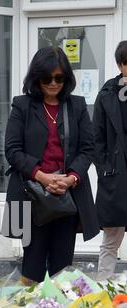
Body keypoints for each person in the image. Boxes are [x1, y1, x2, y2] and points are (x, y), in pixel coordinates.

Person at [2, 46, 99, 284]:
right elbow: (12, 150)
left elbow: (88, 148)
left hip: (68, 195)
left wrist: (71, 178)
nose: (54, 83)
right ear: (36, 77)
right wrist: (42, 176)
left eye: (59, 77)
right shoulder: (22, 105)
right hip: (32, 195)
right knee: (31, 267)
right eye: (47, 78)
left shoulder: (76, 105)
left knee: (63, 268)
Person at [93, 41, 127, 281]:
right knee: (111, 239)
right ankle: (103, 291)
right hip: (117, 175)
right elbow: (97, 137)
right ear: (120, 64)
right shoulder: (107, 93)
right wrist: (106, 169)